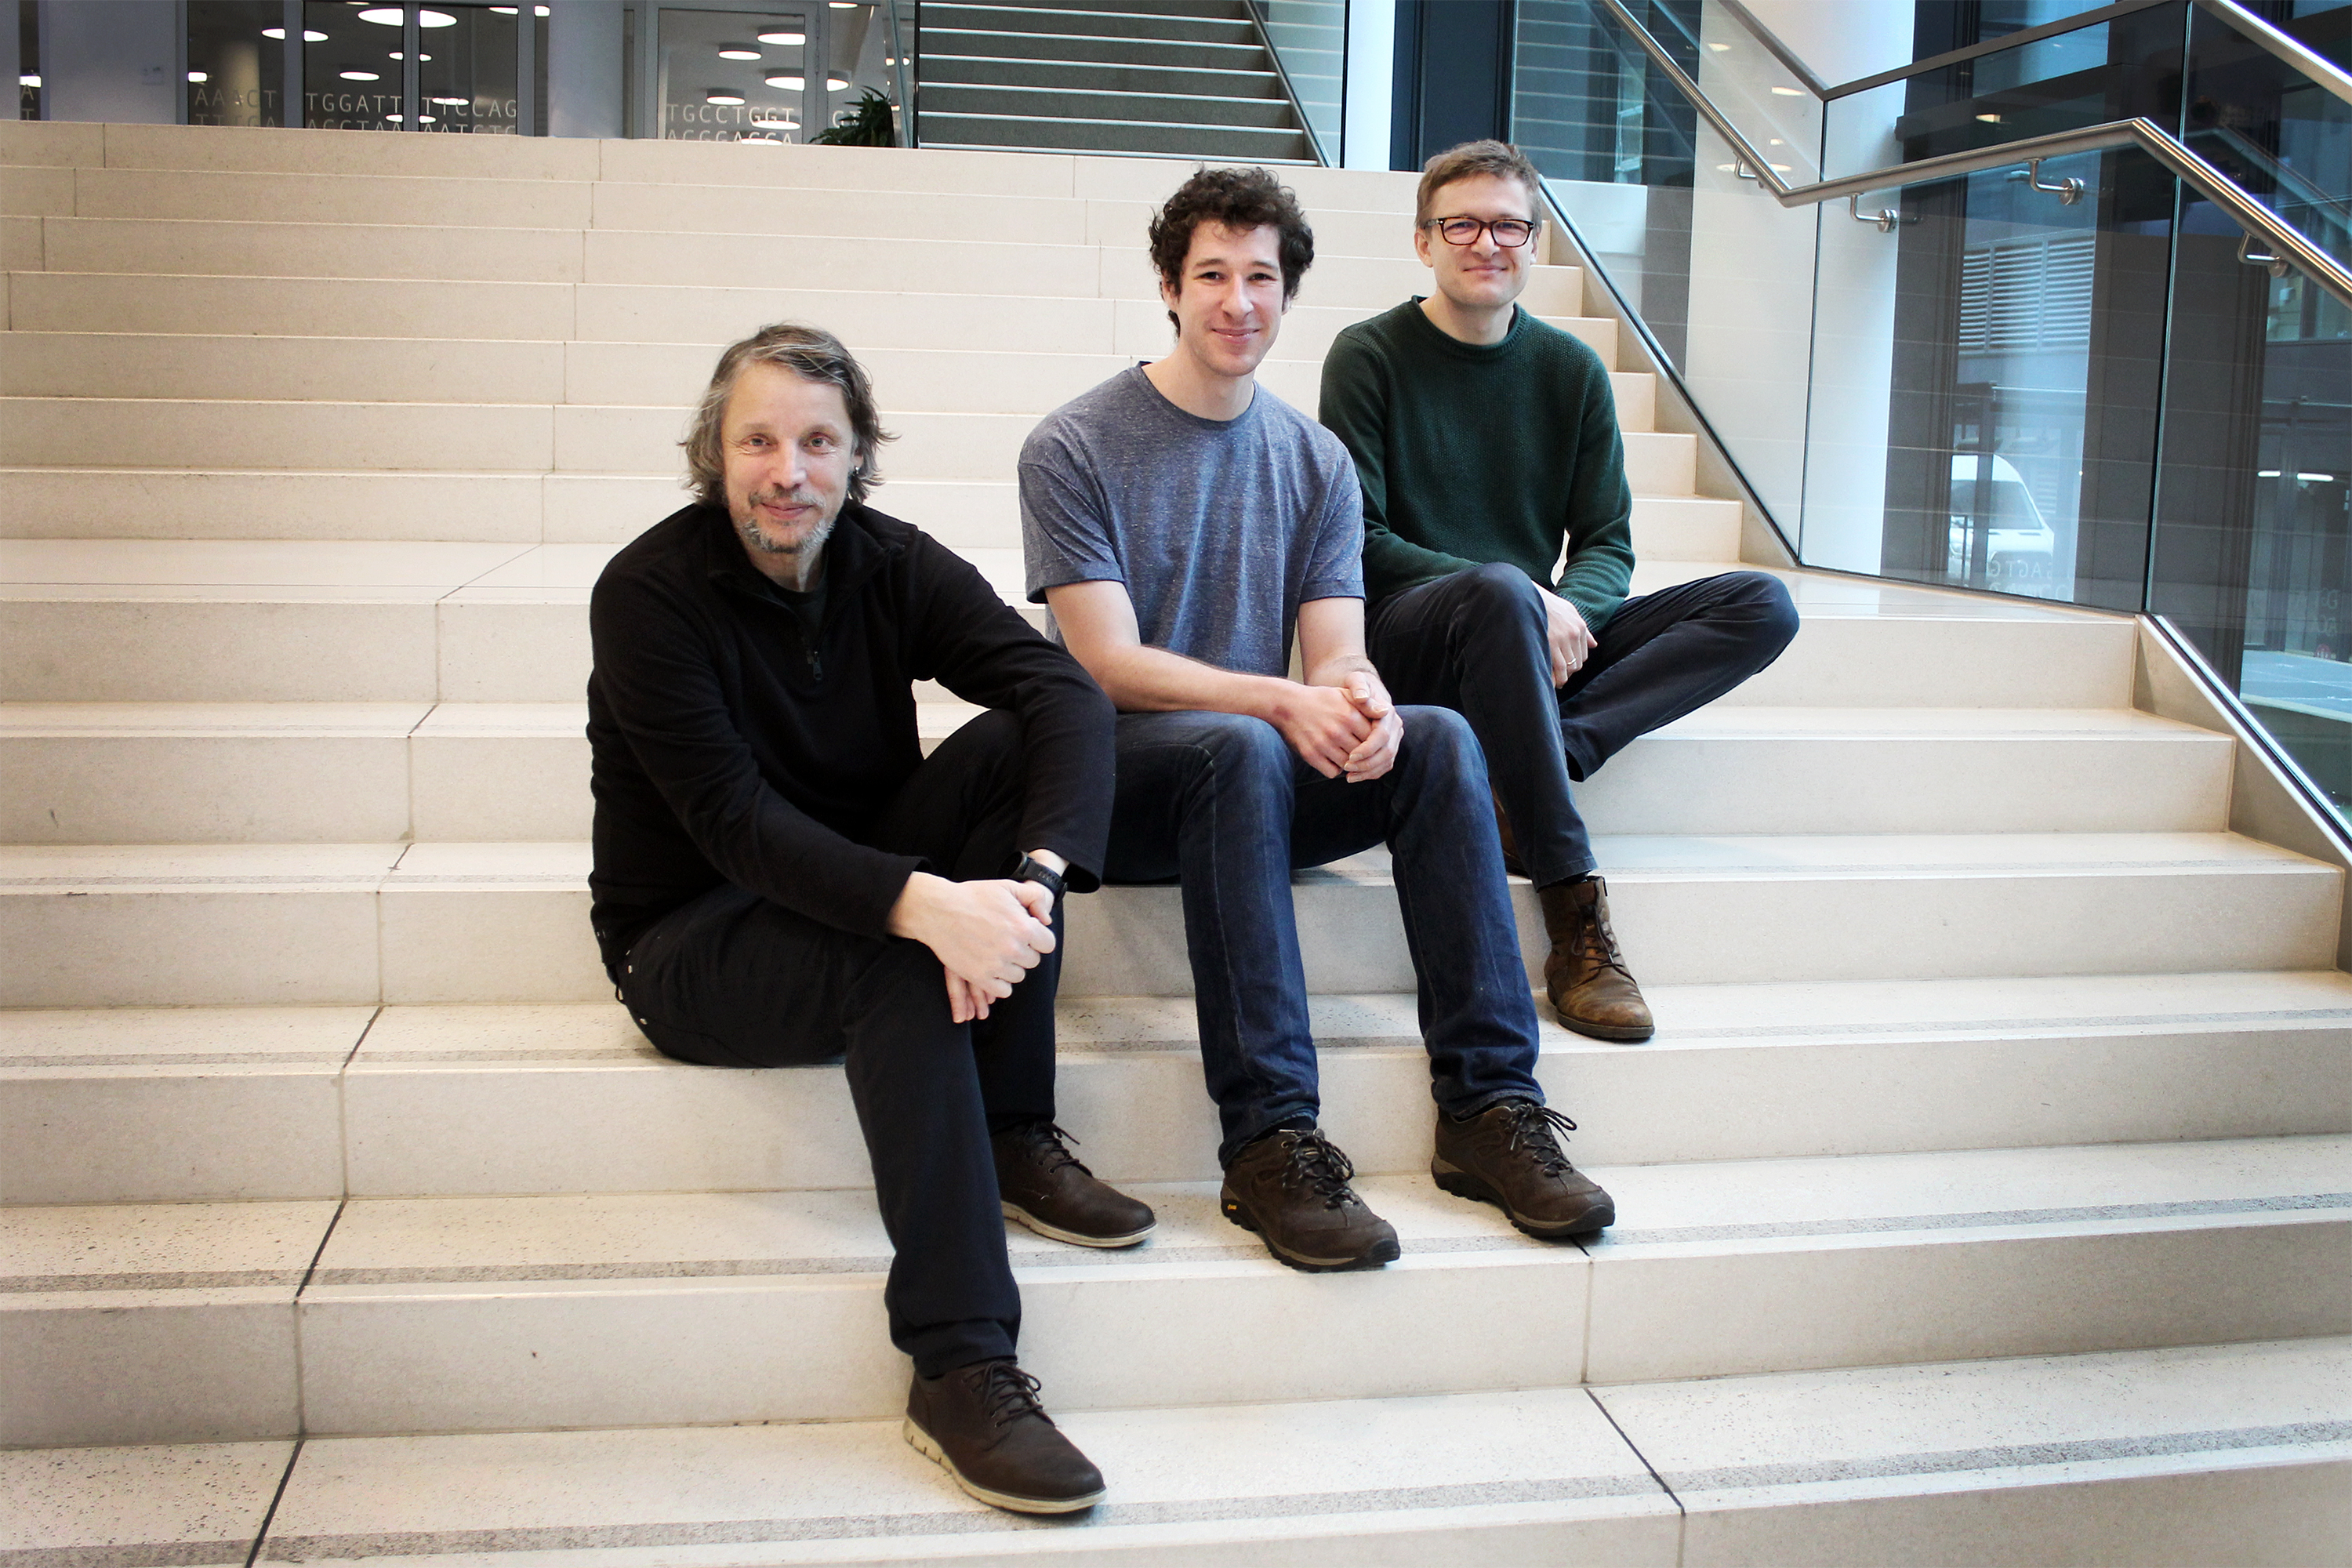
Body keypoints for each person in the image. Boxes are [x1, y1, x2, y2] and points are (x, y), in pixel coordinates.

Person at [587, 322, 1150, 1516]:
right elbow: (733, 821)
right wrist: (920, 907)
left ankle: (1009, 1132)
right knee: (898, 961)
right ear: (713, 452)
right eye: (758, 441)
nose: (788, 470)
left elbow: (1062, 692)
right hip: (690, 936)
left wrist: (1039, 882)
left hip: (863, 872)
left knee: (1010, 747)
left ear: (856, 459)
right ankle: (959, 1366)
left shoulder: (890, 563)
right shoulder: (646, 596)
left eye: (818, 442)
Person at [1020, 167, 1615, 1276]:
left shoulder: (1315, 460)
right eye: (1213, 276)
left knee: (1439, 736)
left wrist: (1361, 700)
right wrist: (1284, 700)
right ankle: (1272, 1139)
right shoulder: (1075, 446)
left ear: (1288, 294)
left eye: (1262, 278)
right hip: (1129, 795)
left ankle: (1491, 1109)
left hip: (1246, 784)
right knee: (1243, 739)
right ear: (1167, 286)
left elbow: (1336, 648)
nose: (1239, 302)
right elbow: (1105, 667)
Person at [1319, 140, 1802, 1043]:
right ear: (1424, 241)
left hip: (1530, 633)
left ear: (1535, 242)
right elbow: (1361, 542)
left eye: (1509, 225)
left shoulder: (1570, 371)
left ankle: (1545, 748)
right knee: (1503, 588)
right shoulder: (1369, 355)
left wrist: (1568, 602)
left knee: (1759, 603)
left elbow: (1609, 542)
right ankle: (1574, 913)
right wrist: (1522, 593)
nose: (1486, 242)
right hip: (1415, 630)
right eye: (1461, 223)